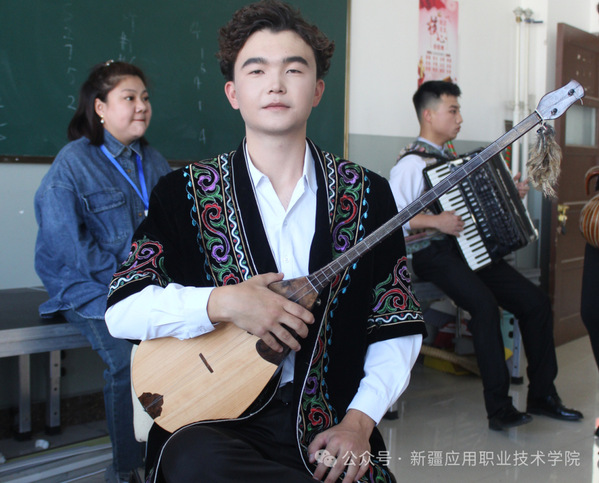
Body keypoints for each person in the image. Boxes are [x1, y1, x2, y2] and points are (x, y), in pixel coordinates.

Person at [105, 2, 425, 482]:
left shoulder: (367, 194)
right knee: (195, 464)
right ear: (233, 93)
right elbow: (122, 310)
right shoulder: (182, 193)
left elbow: (395, 322)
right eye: (257, 70)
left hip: (332, 423)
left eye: (294, 69)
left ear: (317, 90)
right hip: (214, 421)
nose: (276, 83)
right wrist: (223, 303)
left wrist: (359, 423)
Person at [389, 80, 583, 431]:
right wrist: (436, 222)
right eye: (453, 110)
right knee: (484, 305)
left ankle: (543, 395)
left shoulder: (450, 160)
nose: (460, 118)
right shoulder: (410, 165)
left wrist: (511, 192)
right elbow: (394, 220)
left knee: (535, 302)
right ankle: (499, 408)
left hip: (467, 249)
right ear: (429, 115)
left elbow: (472, 211)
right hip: (431, 253)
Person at [34, 61, 171, 483]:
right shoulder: (73, 163)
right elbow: (68, 247)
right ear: (100, 108)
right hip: (86, 286)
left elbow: (174, 227)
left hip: (141, 284)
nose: (141, 106)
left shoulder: (153, 160)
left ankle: (168, 453)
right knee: (127, 358)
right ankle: (126, 469)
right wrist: (131, 285)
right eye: (129, 98)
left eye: (145, 98)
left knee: (180, 342)